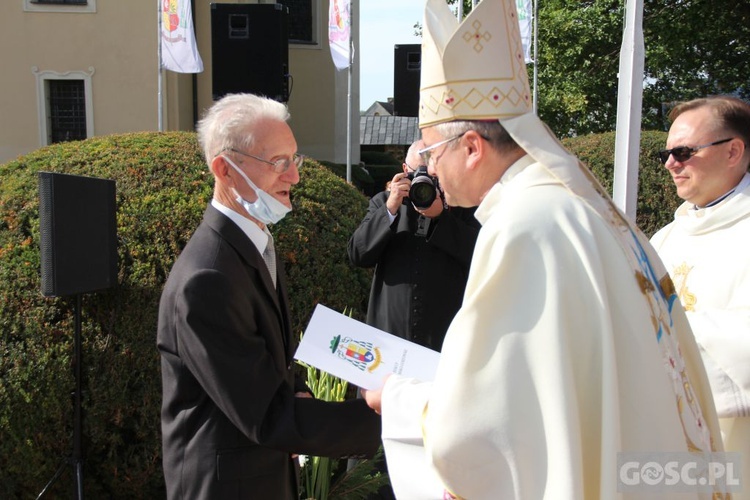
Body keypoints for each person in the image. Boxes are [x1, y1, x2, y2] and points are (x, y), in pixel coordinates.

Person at [362, 0, 726, 498]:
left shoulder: (525, 225)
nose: (430, 169)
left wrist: (400, 401)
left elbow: (490, 424)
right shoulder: (574, 205)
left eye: (429, 152)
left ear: (471, 147)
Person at [157, 93, 381, 499]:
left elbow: (267, 364)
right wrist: (382, 417)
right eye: (278, 162)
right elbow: (267, 416)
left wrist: (297, 388)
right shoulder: (207, 277)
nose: (294, 176)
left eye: (295, 159)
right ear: (225, 170)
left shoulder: (249, 246)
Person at [650, 95, 750, 495]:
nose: (671, 163)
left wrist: (666, 329)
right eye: (667, 153)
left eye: (684, 152)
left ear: (734, 151)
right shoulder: (665, 237)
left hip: (734, 445)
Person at [348, 140, 480, 351]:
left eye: (431, 175)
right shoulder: (384, 201)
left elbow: (480, 255)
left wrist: (441, 217)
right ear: (403, 170)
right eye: (417, 173)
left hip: (444, 335)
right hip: (390, 332)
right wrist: (390, 210)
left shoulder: (462, 206)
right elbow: (357, 254)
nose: (424, 181)